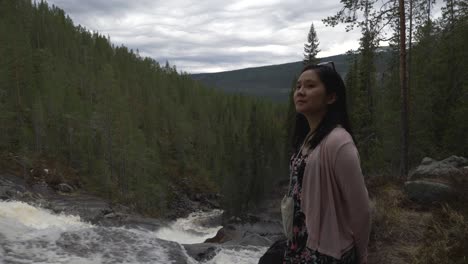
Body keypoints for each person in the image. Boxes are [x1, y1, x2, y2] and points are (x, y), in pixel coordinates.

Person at [283, 62, 371, 264]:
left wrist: (362, 254)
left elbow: (360, 208)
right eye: (298, 87)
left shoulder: (338, 142)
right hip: (299, 244)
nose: (301, 92)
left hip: (328, 253)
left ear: (331, 97)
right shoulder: (306, 139)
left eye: (310, 86)